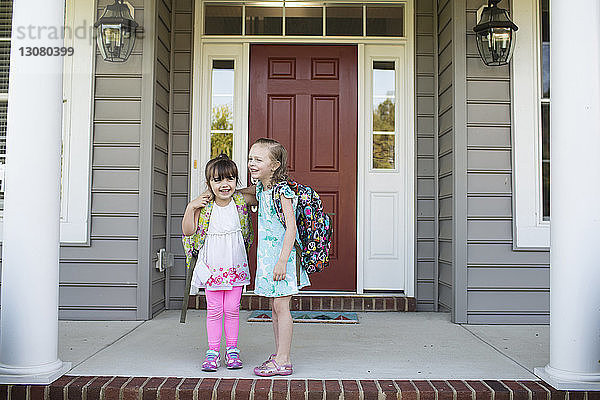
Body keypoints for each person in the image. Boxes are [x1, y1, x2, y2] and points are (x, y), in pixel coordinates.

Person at [181, 154, 254, 372]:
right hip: (212, 266)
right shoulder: (203, 207)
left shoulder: (240, 202)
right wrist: (190, 207)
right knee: (214, 309)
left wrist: (238, 190)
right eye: (217, 180)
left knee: (232, 308)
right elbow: (187, 231)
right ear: (208, 184)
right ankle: (212, 352)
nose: (224, 184)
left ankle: (232, 350)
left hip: (235, 265)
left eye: (230, 179)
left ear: (236, 181)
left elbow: (259, 193)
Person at [248, 138, 310, 377]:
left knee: (282, 307)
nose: (252, 163)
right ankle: (279, 353)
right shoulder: (263, 189)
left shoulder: (282, 191)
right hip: (268, 259)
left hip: (281, 259)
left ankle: (284, 360)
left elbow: (291, 228)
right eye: (250, 159)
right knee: (275, 307)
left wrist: (283, 260)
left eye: (258, 160)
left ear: (274, 165)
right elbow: (245, 195)